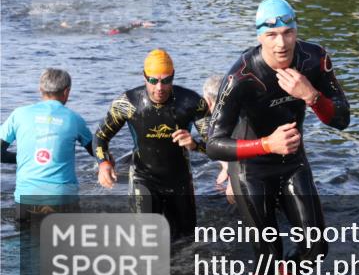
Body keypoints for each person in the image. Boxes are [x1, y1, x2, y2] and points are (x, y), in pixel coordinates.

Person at [206, 0, 350, 275]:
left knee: (316, 248)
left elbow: (342, 118)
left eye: (288, 32)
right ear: (259, 37)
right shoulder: (240, 76)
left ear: (296, 30)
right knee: (267, 253)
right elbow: (213, 143)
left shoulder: (313, 59)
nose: (282, 43)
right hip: (252, 167)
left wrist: (311, 95)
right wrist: (266, 143)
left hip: (291, 161)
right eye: (272, 34)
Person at [94, 49, 211, 239]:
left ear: (173, 77)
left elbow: (216, 145)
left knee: (187, 241)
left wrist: (195, 145)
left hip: (179, 181)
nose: (159, 88)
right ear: (144, 77)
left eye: (166, 80)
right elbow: (100, 137)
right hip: (144, 178)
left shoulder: (192, 102)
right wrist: (104, 163)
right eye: (153, 80)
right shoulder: (127, 103)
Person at [0, 69, 94, 225]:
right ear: (66, 92)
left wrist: (24, 158)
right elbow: (97, 152)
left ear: (40, 90)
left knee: (26, 245)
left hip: (27, 198)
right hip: (63, 199)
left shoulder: (19, 114)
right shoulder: (74, 119)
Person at [201, 74, 235, 204]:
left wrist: (232, 179)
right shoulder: (240, 111)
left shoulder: (215, 123)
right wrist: (226, 166)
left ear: (207, 101)